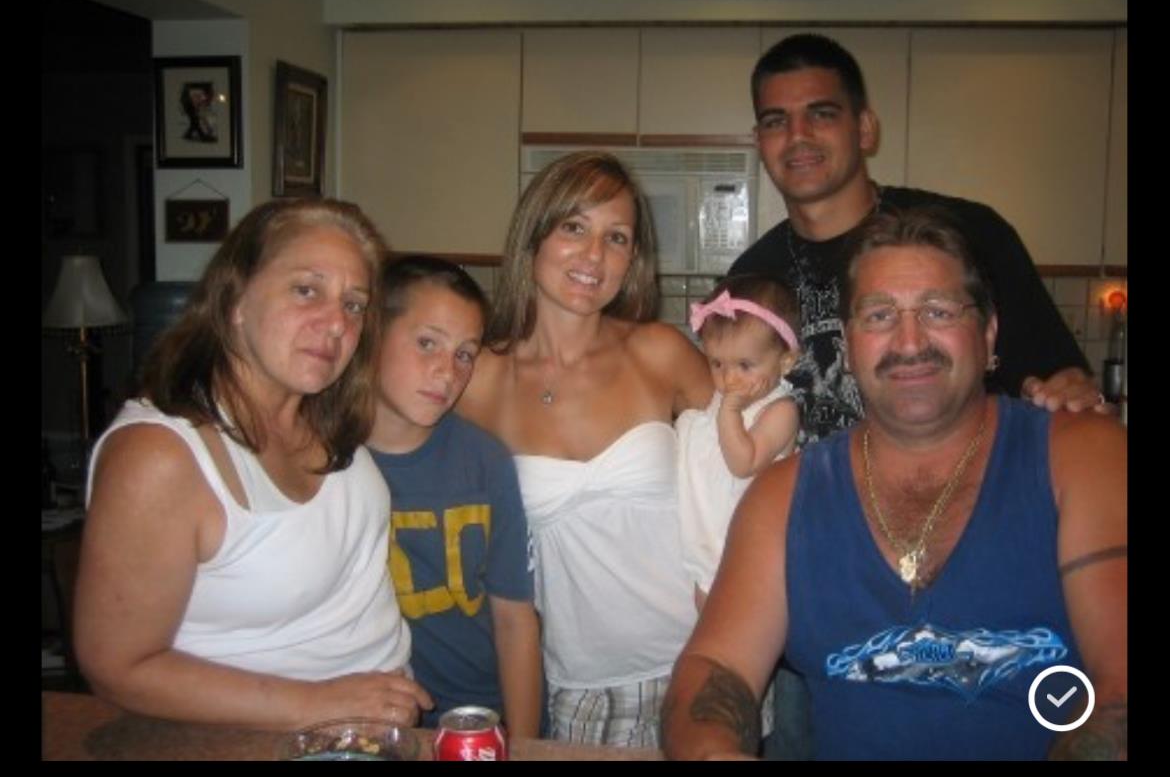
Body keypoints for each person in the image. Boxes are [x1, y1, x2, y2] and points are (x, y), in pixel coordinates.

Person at [661, 206, 1127, 760]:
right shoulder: (782, 498)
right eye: (879, 315)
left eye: (937, 310)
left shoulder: (1081, 458)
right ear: (849, 346)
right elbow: (716, 668)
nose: (909, 341)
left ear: (988, 332)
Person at [73, 198, 433, 730]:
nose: (336, 322)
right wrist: (320, 705)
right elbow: (116, 666)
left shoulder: (324, 411)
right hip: (250, 738)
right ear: (236, 298)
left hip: (372, 728)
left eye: (354, 304)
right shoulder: (160, 457)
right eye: (306, 290)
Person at [731, 32, 1105, 446]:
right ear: (759, 142)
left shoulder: (969, 235)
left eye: (822, 114)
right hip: (803, 504)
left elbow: (1061, 388)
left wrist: (1069, 393)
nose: (798, 135)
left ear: (866, 129)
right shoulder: (748, 278)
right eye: (776, 121)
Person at [458, 150, 713, 747]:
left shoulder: (660, 352)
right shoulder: (479, 378)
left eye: (616, 237)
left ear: (634, 258)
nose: (594, 256)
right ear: (535, 233)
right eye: (574, 227)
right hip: (577, 681)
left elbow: (747, 470)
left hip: (702, 657)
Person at [366, 254, 542, 737]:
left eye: (465, 353)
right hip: (376, 721)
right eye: (427, 343)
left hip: (484, 716)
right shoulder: (328, 462)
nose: (447, 371)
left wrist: (522, 744)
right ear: (371, 336)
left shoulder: (487, 462)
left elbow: (514, 620)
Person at [677, 273, 801, 609]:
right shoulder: (727, 395)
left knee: (741, 623)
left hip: (749, 547)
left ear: (785, 361)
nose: (729, 378)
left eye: (745, 365)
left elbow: (743, 463)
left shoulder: (780, 411)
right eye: (717, 363)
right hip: (710, 537)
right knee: (707, 620)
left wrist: (729, 411)